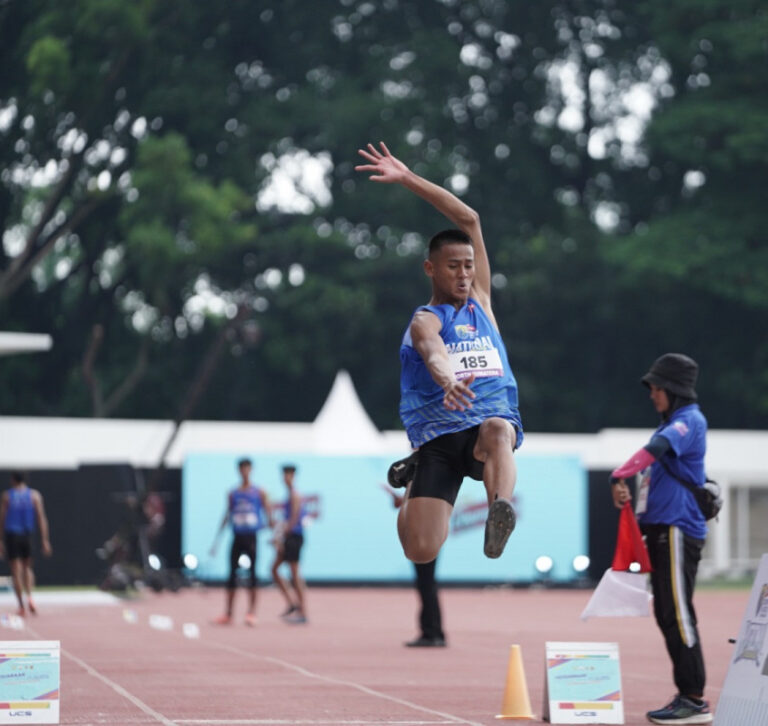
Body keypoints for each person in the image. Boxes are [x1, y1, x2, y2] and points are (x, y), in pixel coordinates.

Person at [356, 141, 523, 564]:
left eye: (469, 265)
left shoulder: (481, 302)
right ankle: (415, 479)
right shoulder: (425, 319)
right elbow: (431, 351)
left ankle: (499, 510)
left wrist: (407, 177)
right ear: (431, 268)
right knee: (421, 551)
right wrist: (448, 380)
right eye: (454, 266)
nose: (465, 274)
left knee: (500, 429)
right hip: (438, 437)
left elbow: (469, 218)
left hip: (484, 430)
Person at [610, 353, 713, 725]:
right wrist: (627, 495)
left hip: (676, 527)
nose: (652, 394)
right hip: (662, 527)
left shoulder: (690, 421)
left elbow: (653, 454)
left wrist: (618, 475)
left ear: (674, 390)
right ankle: (688, 696)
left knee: (678, 612)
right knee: (668, 612)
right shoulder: (671, 424)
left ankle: (694, 698)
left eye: (657, 387)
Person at [383, 484, 446, 647]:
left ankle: (432, 632)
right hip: (426, 534)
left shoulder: (426, 478)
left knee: (426, 584)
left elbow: (415, 505)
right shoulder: (427, 479)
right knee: (426, 583)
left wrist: (401, 499)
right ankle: (433, 631)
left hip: (425, 536)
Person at [210, 458, 270, 626]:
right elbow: (227, 514)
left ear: (251, 470)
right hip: (237, 537)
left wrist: (274, 534)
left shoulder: (259, 492)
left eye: (247, 468)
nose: (245, 471)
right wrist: (217, 541)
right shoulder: (233, 493)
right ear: (238, 470)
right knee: (232, 576)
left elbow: (268, 513)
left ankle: (251, 613)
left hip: (251, 538)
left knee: (252, 575)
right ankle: (228, 613)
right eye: (242, 469)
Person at [0, 471, 52, 616]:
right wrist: (45, 540)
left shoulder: (7, 496)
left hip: (12, 535)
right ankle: (30, 596)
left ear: (12, 480)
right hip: (27, 535)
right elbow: (41, 518)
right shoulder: (34, 495)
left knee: (16, 570)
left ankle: (21, 605)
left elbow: (2, 519)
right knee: (27, 568)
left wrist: (0, 540)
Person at [270, 464, 308, 625]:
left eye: (289, 474)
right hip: (289, 536)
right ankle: (293, 604)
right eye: (284, 475)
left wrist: (279, 537)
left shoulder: (295, 495)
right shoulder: (289, 495)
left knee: (294, 573)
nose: (286, 477)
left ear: (293, 476)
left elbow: (293, 521)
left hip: (294, 537)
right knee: (275, 570)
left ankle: (302, 610)